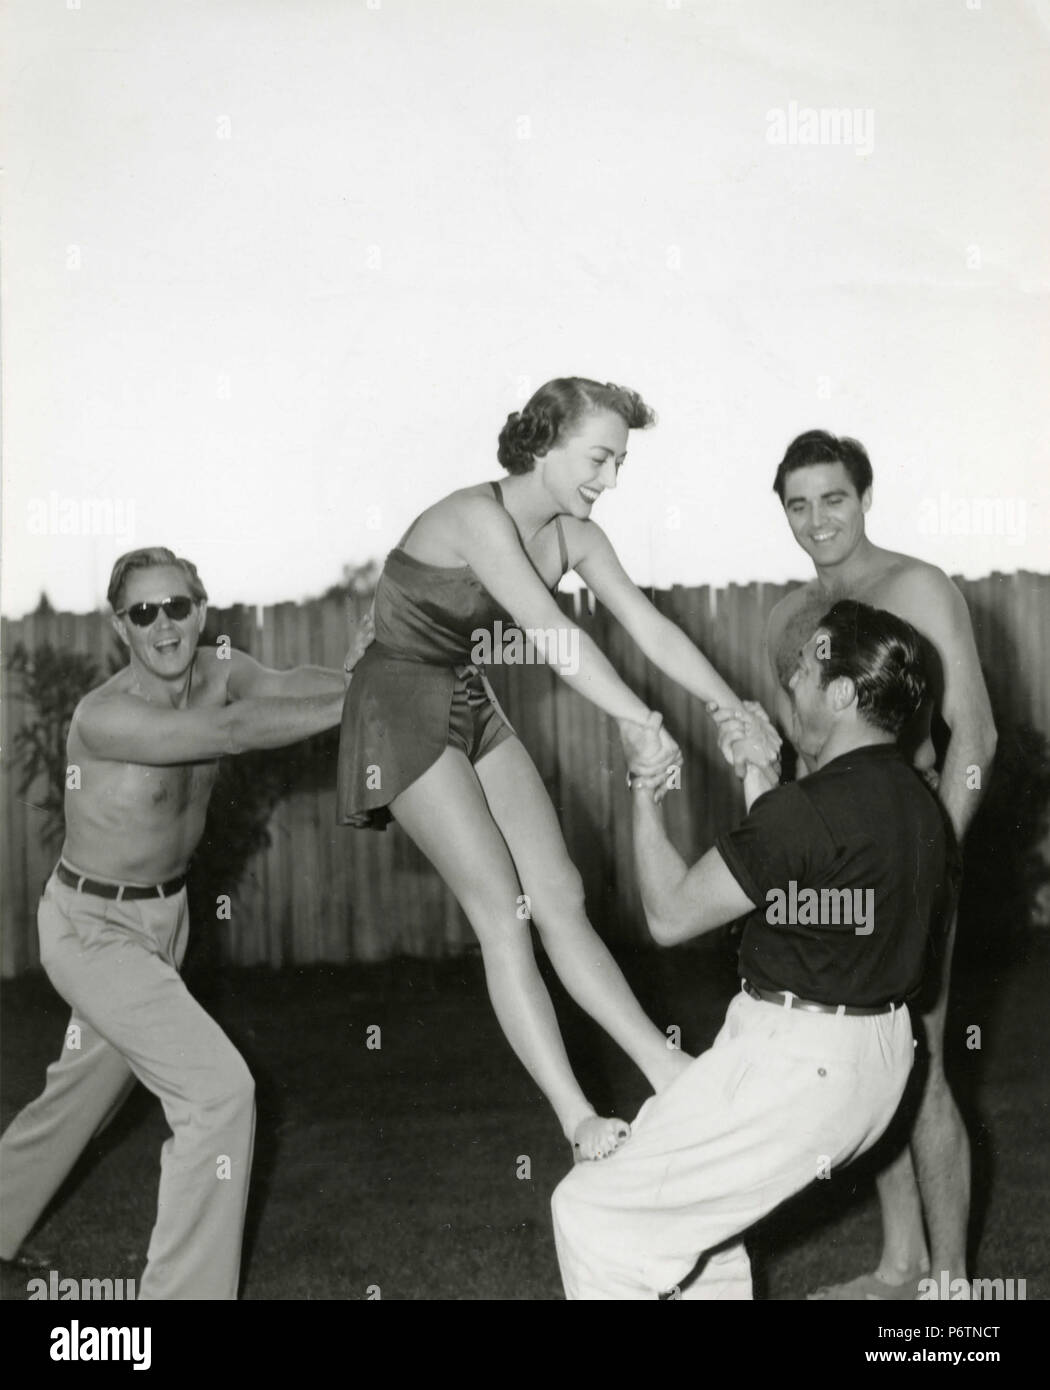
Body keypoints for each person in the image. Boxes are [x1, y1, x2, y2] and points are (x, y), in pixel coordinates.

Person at [337, 377, 779, 1161]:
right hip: (397, 704)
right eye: (599, 458)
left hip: (467, 697)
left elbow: (647, 626)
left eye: (619, 465)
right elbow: (552, 635)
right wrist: (637, 720)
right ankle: (577, 1119)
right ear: (543, 443)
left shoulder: (575, 537)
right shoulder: (474, 517)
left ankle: (664, 1066)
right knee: (502, 910)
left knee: (562, 896)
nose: (609, 482)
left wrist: (729, 707)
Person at [550, 600, 959, 1300]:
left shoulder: (809, 810)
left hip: (796, 1065)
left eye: (802, 671)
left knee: (590, 1213)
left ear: (840, 693)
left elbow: (670, 915)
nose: (790, 686)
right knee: (699, 1235)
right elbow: (803, 877)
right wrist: (758, 774)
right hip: (875, 1061)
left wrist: (645, 792)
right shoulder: (920, 805)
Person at [0, 547, 372, 1299]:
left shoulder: (218, 668)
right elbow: (233, 733)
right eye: (144, 612)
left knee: (80, 1096)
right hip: (90, 925)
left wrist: (364, 679)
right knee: (218, 1094)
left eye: (177, 606)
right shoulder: (104, 714)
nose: (164, 625)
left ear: (201, 610)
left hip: (163, 921)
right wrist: (374, 697)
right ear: (120, 627)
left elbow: (284, 686)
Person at [764, 432, 997, 1299]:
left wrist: (936, 858)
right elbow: (804, 758)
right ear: (782, 510)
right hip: (833, 871)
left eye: (835, 498)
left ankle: (949, 1287)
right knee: (868, 1059)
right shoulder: (783, 619)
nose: (819, 519)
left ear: (865, 497)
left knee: (927, 1059)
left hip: (920, 843)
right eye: (798, 503)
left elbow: (976, 736)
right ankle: (899, 1263)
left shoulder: (917, 588)